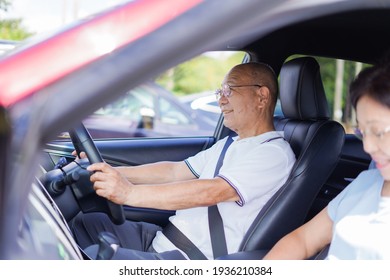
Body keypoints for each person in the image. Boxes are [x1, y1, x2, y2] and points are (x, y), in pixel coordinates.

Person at [71, 62, 296, 260]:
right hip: (165, 239)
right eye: (220, 91)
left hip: (191, 258)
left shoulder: (273, 153)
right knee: (85, 224)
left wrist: (129, 193)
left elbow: (214, 191)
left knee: (92, 257)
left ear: (262, 97)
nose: (221, 100)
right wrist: (110, 172)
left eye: (229, 89)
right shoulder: (231, 143)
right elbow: (175, 172)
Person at [263, 59, 390, 260]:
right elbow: (302, 241)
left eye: (378, 132)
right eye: (363, 132)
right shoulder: (366, 182)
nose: (367, 147)